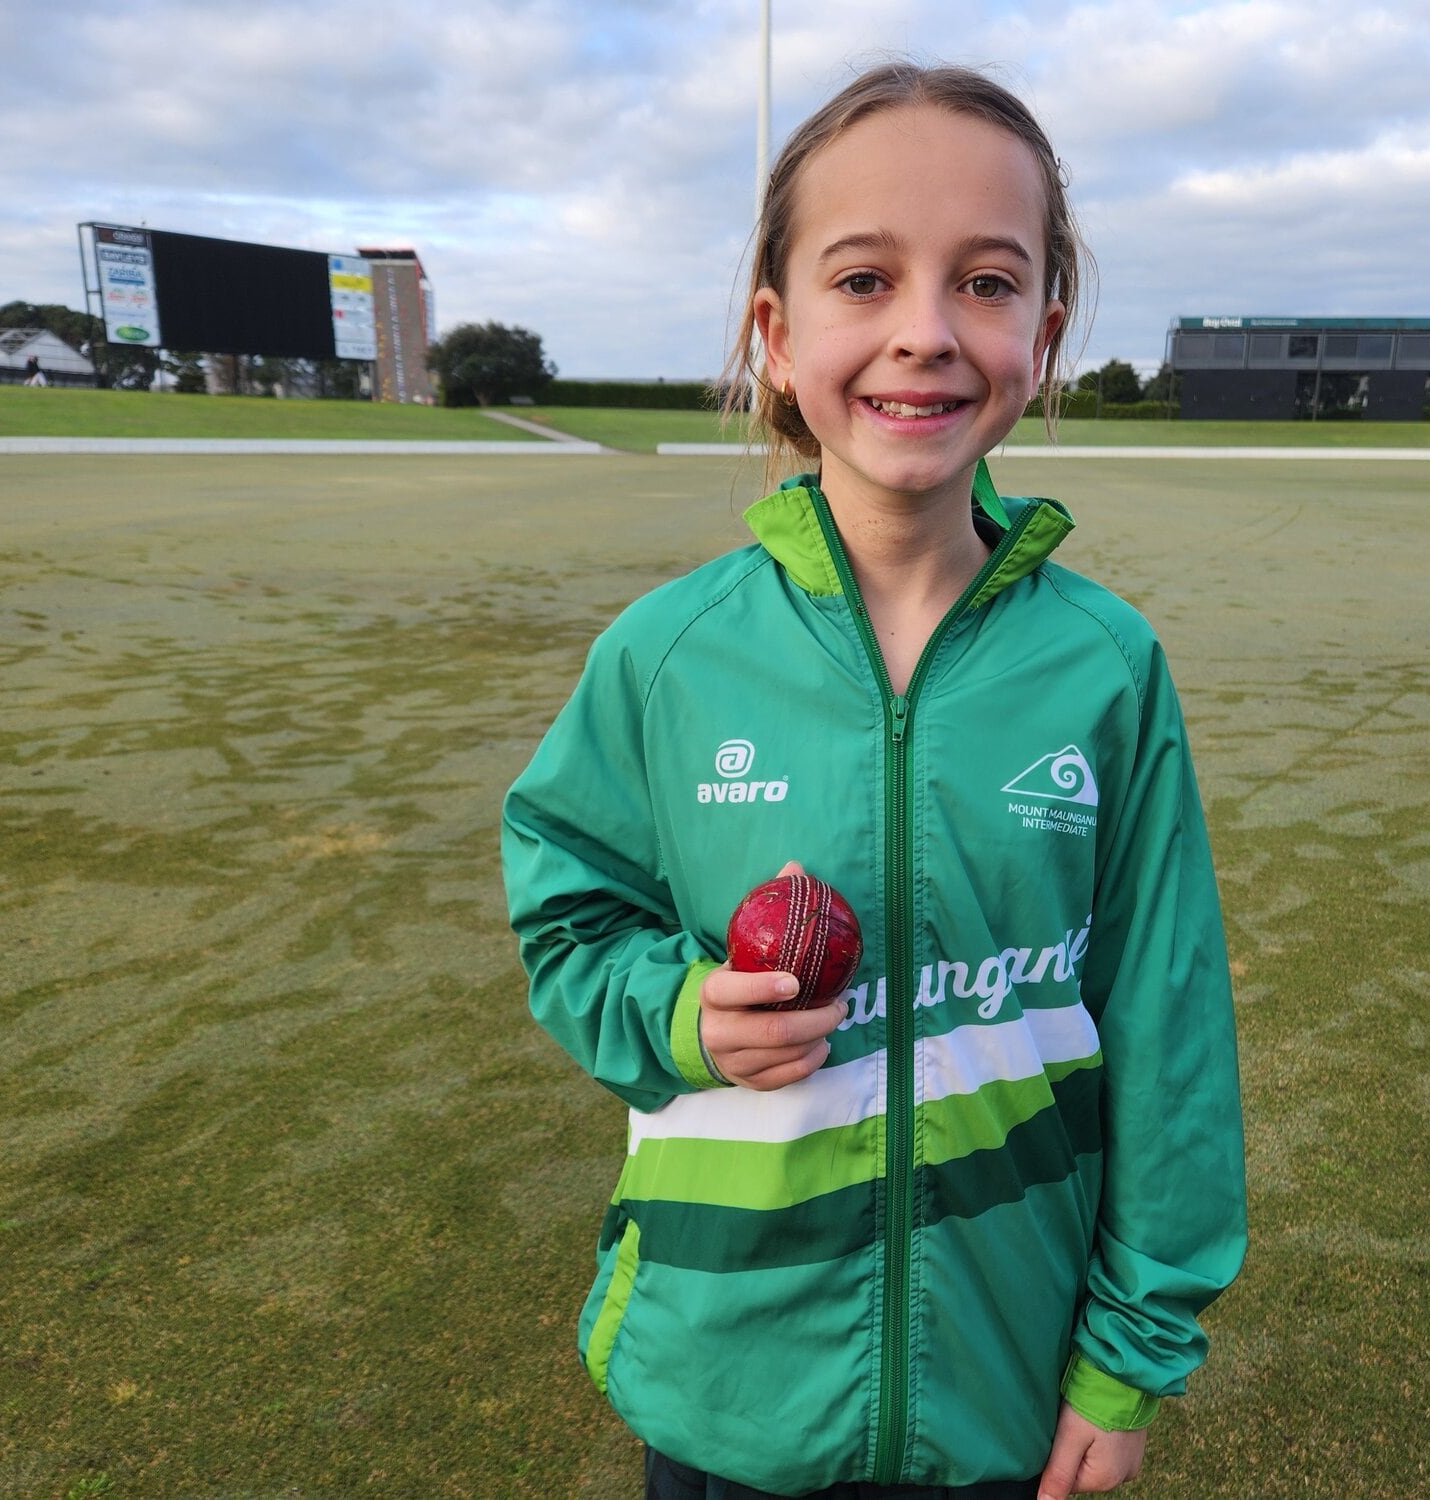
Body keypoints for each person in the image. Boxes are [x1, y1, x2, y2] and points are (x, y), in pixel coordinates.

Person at [502, 62, 1246, 1500]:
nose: (924, 333)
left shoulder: (1105, 666)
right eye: (863, 278)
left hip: (1006, 1391)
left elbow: (1169, 1028)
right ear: (776, 336)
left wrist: (1130, 1353)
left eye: (983, 280)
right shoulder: (668, 657)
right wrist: (678, 1013)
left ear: (1046, 326)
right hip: (731, 1392)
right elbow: (569, 921)